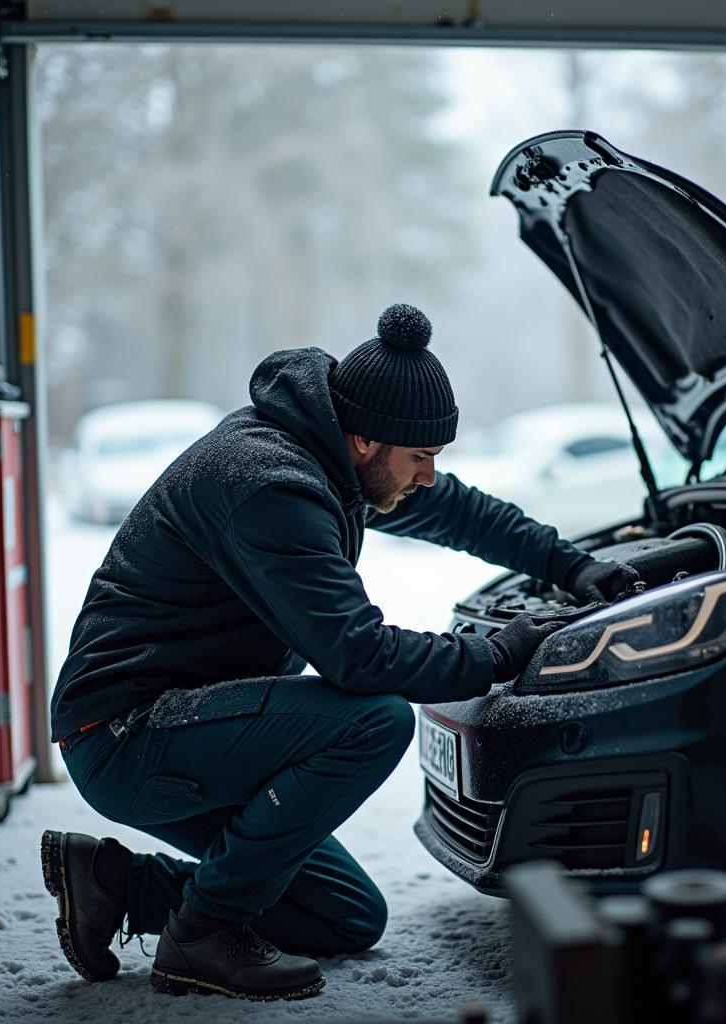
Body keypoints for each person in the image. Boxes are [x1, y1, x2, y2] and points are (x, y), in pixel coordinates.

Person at [43, 304, 639, 1002]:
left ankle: (116, 884)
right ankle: (200, 937)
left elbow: (457, 511)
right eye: (419, 459)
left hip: (197, 726)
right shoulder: (270, 487)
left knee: (346, 914)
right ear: (363, 439)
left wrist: (571, 565)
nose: (425, 476)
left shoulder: (332, 456)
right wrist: (499, 653)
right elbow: (357, 656)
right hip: (125, 732)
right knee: (375, 718)